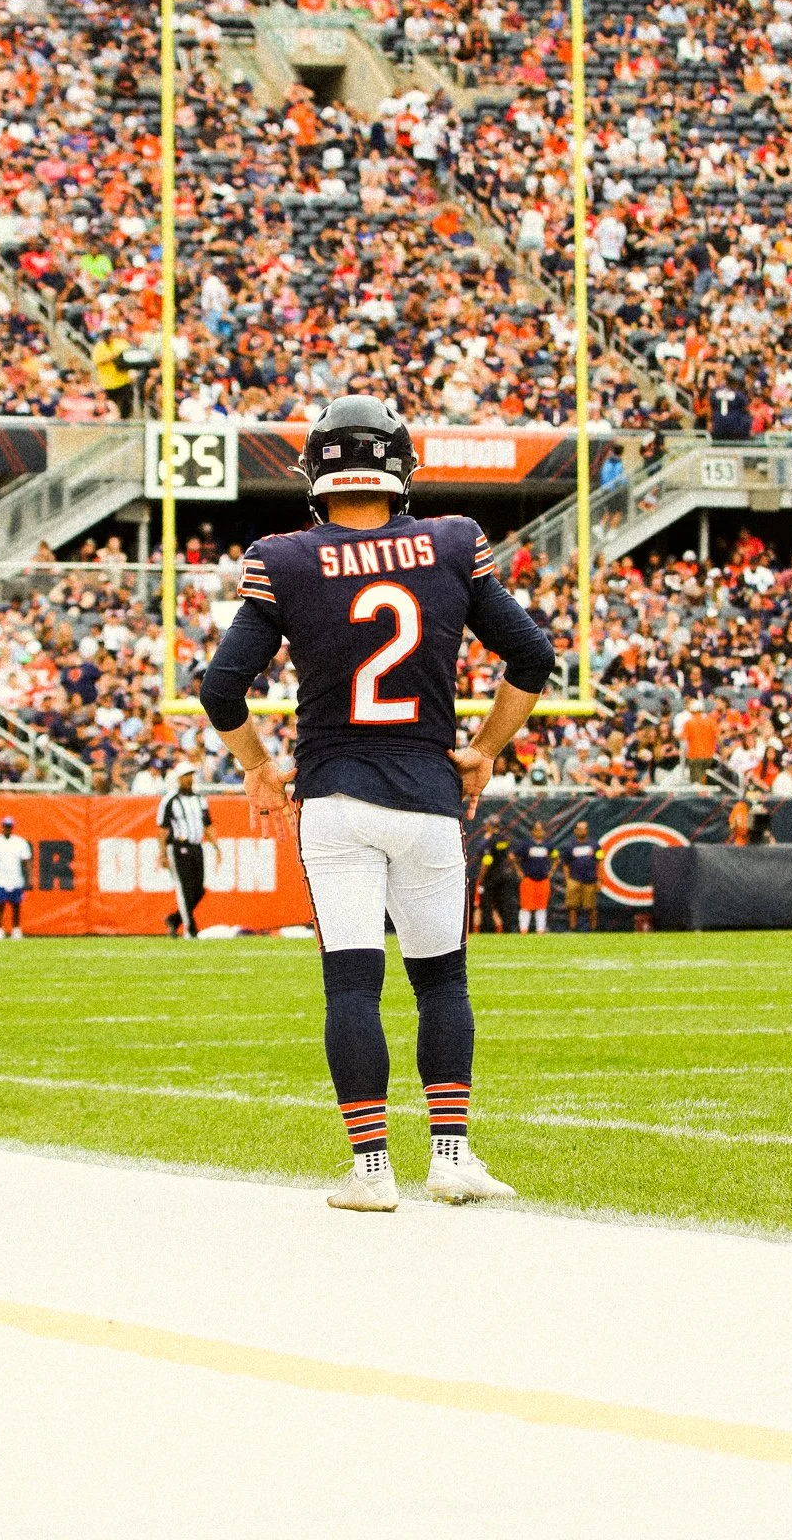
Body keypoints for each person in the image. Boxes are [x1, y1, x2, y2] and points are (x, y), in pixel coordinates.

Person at [200, 394, 553, 1212]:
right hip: (429, 795)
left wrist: (259, 767)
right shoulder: (452, 541)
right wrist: (485, 750)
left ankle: (370, 1172)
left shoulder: (282, 557)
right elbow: (532, 656)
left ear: (317, 472)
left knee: (352, 987)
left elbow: (221, 689)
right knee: (442, 985)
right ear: (398, 465)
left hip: (334, 797)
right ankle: (451, 1157)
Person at [157, 762, 218, 938]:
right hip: (177, 846)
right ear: (178, 779)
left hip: (196, 845)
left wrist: (216, 846)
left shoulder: (200, 799)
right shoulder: (170, 800)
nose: (189, 779)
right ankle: (190, 929)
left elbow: (207, 824)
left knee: (199, 889)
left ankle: (175, 920)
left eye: (191, 775)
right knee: (184, 889)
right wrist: (162, 853)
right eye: (185, 776)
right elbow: (163, 829)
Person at [563, 819, 599, 933]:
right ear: (575, 831)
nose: (582, 831)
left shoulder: (594, 845)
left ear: (587, 830)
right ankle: (573, 929)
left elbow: (600, 862)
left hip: (590, 879)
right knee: (572, 907)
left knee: (591, 907)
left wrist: (600, 879)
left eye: (584, 828)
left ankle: (593, 930)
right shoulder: (569, 846)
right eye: (580, 829)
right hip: (574, 879)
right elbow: (565, 864)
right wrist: (567, 880)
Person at [518, 821, 554, 933]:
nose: (539, 832)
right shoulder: (526, 845)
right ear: (532, 831)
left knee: (542, 906)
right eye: (537, 829)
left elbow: (557, 857)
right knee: (526, 906)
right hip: (529, 878)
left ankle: (540, 930)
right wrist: (518, 871)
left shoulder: (548, 845)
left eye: (541, 829)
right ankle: (524, 929)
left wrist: (552, 870)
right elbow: (512, 856)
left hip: (543, 879)